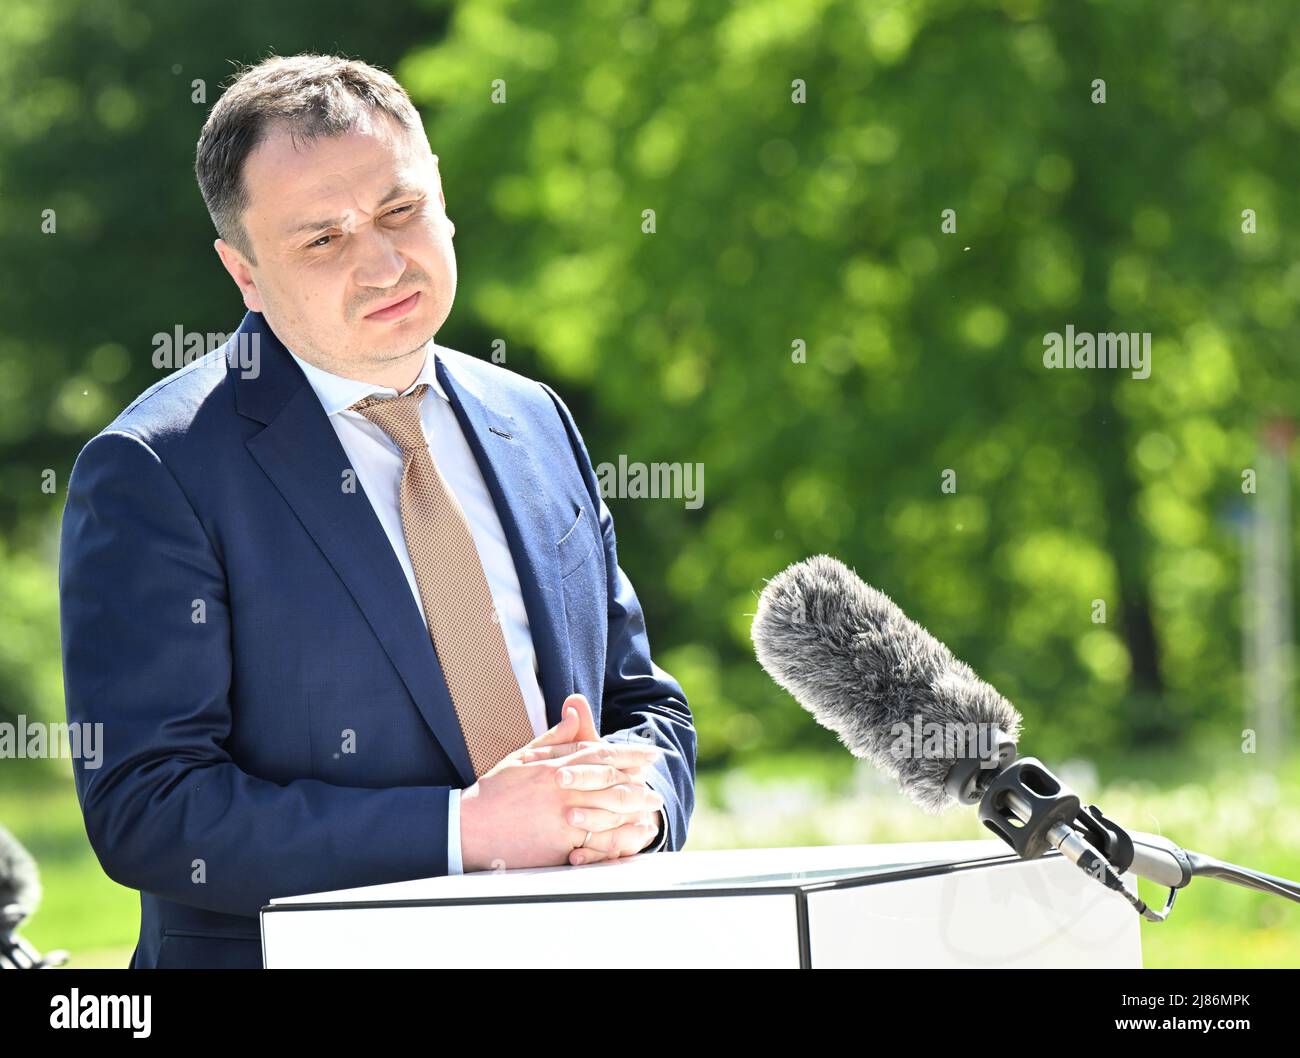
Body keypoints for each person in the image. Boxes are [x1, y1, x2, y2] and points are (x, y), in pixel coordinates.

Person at [58, 53, 696, 970]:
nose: (384, 263)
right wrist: (461, 830)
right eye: (322, 240)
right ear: (242, 271)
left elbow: (643, 705)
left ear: (441, 198)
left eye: (400, 212)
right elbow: (148, 808)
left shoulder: (537, 419)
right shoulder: (154, 469)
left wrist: (644, 802)